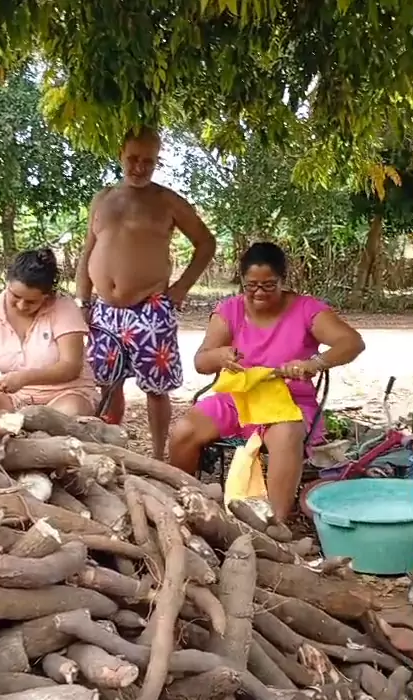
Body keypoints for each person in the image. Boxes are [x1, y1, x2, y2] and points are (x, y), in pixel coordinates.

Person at [169, 241, 365, 521]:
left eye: (268, 285)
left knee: (286, 436)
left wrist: (314, 363)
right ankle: (184, 503)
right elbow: (201, 362)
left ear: (283, 280)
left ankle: (276, 523)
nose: (259, 292)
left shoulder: (306, 309)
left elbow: (352, 342)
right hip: (237, 398)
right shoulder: (230, 310)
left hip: (288, 400)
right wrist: (219, 356)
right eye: (251, 286)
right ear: (241, 281)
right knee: (183, 431)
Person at [76, 126, 216, 459]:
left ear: (157, 162)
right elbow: (87, 250)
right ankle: (111, 450)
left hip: (150, 308)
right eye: (133, 159)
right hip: (104, 310)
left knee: (156, 387)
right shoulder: (103, 198)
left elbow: (206, 243)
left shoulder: (167, 201)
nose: (139, 167)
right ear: (120, 155)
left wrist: (181, 288)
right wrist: (83, 300)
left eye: (148, 161)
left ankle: (157, 456)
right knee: (108, 383)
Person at [0, 248, 98, 420]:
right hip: (14, 398)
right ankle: (19, 425)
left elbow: (71, 367)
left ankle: (18, 426)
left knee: (65, 414)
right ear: (7, 283)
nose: (22, 305)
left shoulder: (64, 308)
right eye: (15, 296)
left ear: (47, 296)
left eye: (31, 301)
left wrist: (24, 378)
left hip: (67, 394)